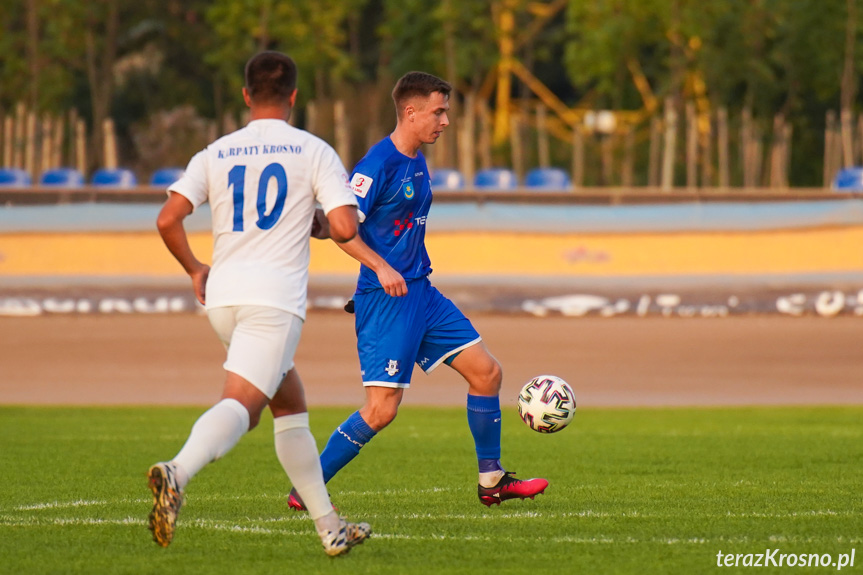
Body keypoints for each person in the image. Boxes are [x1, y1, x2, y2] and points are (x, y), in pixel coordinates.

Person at [288, 71, 548, 511]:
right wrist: (381, 266)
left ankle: (492, 480)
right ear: (410, 112)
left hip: (421, 293)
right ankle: (307, 487)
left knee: (487, 373)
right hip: (387, 299)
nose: (445, 121)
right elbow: (340, 227)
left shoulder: (417, 160)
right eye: (439, 111)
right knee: (381, 410)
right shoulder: (377, 164)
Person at [148, 50, 371, 556]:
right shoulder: (313, 150)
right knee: (243, 408)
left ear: (246, 96)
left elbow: (167, 220)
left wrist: (194, 269)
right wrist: (316, 220)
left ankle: (330, 527)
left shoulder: (216, 151)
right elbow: (343, 228)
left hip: (223, 297)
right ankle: (176, 471)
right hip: (273, 301)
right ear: (294, 96)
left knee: (289, 406)